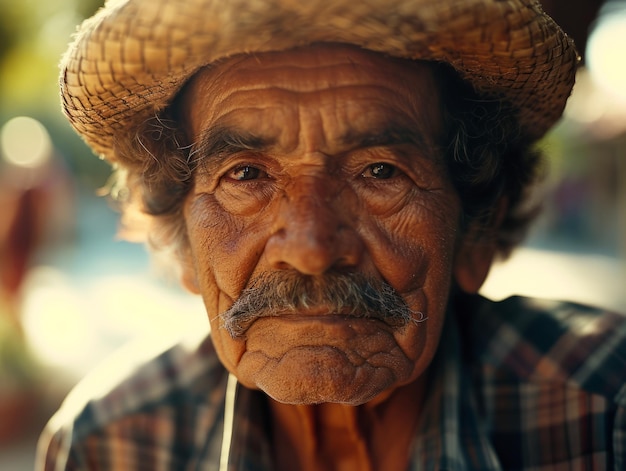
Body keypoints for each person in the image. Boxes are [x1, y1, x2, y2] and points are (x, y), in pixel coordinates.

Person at [37, 0, 625, 469]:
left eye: (379, 172)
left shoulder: (607, 413)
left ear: (477, 229)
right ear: (185, 242)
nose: (313, 250)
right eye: (245, 175)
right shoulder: (106, 446)